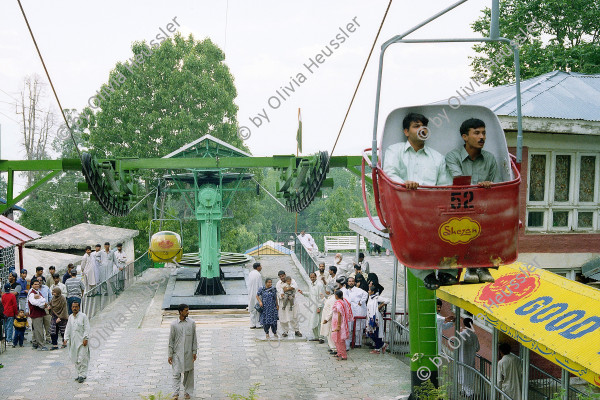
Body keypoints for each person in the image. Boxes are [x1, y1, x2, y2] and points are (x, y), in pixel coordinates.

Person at [383, 112, 457, 290]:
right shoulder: (394, 151)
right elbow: (389, 173)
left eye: (424, 126)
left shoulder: (437, 158)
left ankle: (448, 272)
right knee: (412, 241)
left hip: (432, 208)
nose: (421, 129)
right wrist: (405, 184)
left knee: (450, 232)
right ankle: (426, 274)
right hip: (404, 208)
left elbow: (445, 185)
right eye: (416, 126)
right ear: (406, 131)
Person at [446, 118, 498, 284]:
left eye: (483, 133)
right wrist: (480, 187)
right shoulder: (452, 156)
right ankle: (470, 268)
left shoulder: (490, 159)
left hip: (482, 207)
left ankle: (483, 266)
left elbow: (494, 188)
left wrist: (487, 187)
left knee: (489, 222)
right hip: (460, 206)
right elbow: (459, 181)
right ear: (465, 137)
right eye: (476, 133)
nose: (482, 137)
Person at [168, 304, 197, 400]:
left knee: (188, 374)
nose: (188, 312)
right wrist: (170, 354)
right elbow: (171, 340)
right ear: (180, 312)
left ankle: (187, 392)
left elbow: (194, 338)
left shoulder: (192, 323)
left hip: (188, 353)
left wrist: (194, 351)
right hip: (177, 354)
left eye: (188, 310)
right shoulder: (174, 325)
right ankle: (175, 394)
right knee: (176, 373)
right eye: (186, 310)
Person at [64, 300, 90, 383]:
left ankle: (82, 374)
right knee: (75, 358)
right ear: (71, 308)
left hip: (82, 341)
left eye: (76, 307)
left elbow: (87, 328)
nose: (74, 308)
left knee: (82, 358)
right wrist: (66, 338)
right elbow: (68, 328)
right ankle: (79, 374)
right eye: (73, 307)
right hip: (73, 342)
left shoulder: (83, 316)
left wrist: (85, 338)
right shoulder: (70, 317)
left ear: (79, 307)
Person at [275, 271, 303, 337]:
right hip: (283, 302)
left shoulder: (292, 280)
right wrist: (282, 295)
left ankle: (296, 330)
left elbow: (295, 287)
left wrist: (286, 289)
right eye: (280, 277)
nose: (282, 277)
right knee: (283, 317)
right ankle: (285, 331)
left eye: (283, 276)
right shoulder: (278, 283)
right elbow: (279, 292)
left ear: (285, 275)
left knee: (294, 316)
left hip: (292, 301)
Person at [458, 317, 480, 398]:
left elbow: (456, 347)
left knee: (463, 374)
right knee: (470, 375)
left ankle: (467, 392)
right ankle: (468, 391)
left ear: (464, 324)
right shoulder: (474, 335)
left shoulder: (461, 335)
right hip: (471, 359)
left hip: (462, 358)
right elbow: (478, 348)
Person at [302, 272, 325, 341]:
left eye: (313, 277)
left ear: (316, 277)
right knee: (313, 320)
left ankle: (321, 337)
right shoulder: (311, 284)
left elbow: (321, 296)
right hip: (312, 306)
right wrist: (302, 293)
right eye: (311, 277)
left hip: (318, 306)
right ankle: (316, 336)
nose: (312, 278)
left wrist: (319, 307)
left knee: (319, 321)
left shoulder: (319, 285)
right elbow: (310, 294)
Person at [331, 290, 352, 361]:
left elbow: (339, 314)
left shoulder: (339, 303)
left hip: (339, 323)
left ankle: (343, 355)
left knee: (340, 340)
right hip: (337, 322)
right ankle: (339, 353)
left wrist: (338, 325)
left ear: (336, 296)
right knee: (337, 339)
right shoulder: (342, 302)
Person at [346, 277, 368, 348]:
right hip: (350, 311)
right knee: (350, 327)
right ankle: (350, 341)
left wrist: (361, 302)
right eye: (349, 281)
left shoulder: (358, 290)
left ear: (354, 282)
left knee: (358, 328)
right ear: (347, 283)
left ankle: (358, 343)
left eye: (352, 281)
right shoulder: (347, 291)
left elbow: (366, 294)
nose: (351, 283)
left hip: (358, 311)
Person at [28, 279, 49, 350]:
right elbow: (34, 302)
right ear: (32, 285)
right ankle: (41, 345)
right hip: (36, 313)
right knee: (39, 330)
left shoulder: (37, 292)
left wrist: (42, 302)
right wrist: (43, 304)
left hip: (39, 313)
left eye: (38, 284)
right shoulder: (31, 293)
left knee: (36, 329)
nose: (37, 285)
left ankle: (35, 343)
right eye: (35, 284)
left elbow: (43, 299)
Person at [366, 285, 387, 354]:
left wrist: (380, 306)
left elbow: (387, 301)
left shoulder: (377, 298)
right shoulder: (370, 298)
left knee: (376, 333)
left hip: (376, 318)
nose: (368, 291)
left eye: (369, 290)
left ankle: (377, 348)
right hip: (370, 318)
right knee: (371, 333)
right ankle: (383, 345)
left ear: (372, 291)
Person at [321, 284, 337, 354]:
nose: (326, 291)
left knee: (330, 333)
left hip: (329, 319)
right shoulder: (330, 298)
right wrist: (323, 298)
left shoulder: (333, 299)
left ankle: (334, 348)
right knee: (328, 333)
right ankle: (331, 347)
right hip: (326, 317)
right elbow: (327, 304)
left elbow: (331, 310)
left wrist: (327, 319)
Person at [247, 262, 263, 329]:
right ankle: (258, 323)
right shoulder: (258, 274)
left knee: (252, 308)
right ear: (258, 267)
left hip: (251, 293)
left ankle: (252, 324)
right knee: (258, 308)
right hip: (257, 293)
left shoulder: (250, 273)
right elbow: (260, 286)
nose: (261, 267)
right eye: (260, 266)